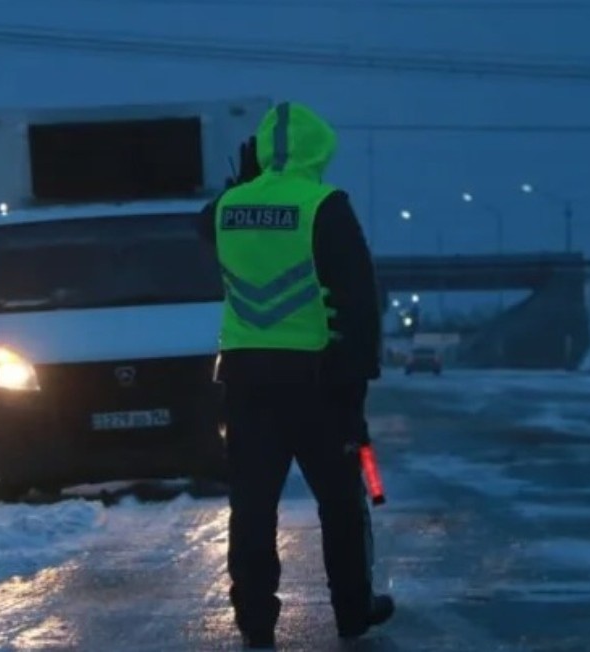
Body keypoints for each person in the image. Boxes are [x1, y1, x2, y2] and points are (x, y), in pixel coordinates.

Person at [197, 101, 394, 649]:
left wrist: (247, 183)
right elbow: (357, 301)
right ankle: (353, 613)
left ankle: (256, 623)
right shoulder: (324, 206)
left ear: (260, 151)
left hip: (245, 381)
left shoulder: (226, 209)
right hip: (317, 381)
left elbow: (203, 226)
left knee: (253, 506)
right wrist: (357, 382)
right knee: (339, 501)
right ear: (319, 148)